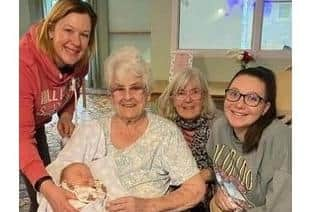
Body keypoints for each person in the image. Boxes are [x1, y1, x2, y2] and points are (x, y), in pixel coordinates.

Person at [41, 46, 206, 212]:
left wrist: (147, 205)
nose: (127, 97)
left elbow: (196, 188)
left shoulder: (166, 133)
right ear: (110, 96)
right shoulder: (90, 131)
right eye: (119, 89)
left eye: (135, 88)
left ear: (147, 93)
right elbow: (56, 173)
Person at [19, 0, 97, 211]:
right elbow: (21, 139)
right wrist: (48, 189)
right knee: (42, 188)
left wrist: (65, 115)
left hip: (37, 124)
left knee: (45, 178)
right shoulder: (21, 65)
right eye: (68, 30)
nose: (76, 42)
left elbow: (72, 91)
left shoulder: (80, 60)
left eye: (84, 34)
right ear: (52, 29)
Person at [206, 66, 292, 211]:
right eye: (234, 94)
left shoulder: (281, 139)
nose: (239, 104)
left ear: (265, 108)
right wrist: (218, 196)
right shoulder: (219, 126)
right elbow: (220, 175)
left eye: (253, 98)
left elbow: (283, 207)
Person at [157, 67, 219, 212]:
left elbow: (229, 168)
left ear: (204, 96)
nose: (188, 99)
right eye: (181, 93)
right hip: (168, 192)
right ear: (172, 98)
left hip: (208, 195)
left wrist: (202, 175)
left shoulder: (218, 125)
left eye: (195, 92)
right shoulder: (163, 127)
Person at [38, 162, 109, 211]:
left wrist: (96, 185)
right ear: (65, 181)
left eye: (89, 175)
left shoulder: (94, 190)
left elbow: (103, 198)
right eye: (80, 174)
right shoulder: (64, 188)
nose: (86, 177)